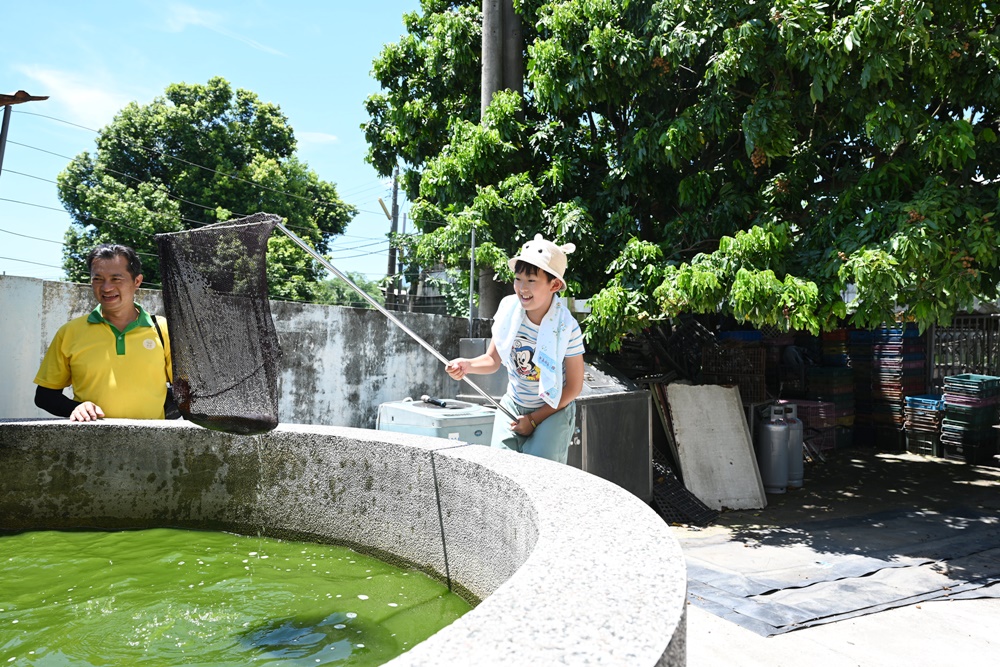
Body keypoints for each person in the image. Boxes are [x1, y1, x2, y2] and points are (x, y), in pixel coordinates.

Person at [446, 234, 585, 463]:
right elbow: (492, 360)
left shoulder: (567, 327)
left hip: (552, 409)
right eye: (518, 279)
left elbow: (574, 387)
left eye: (531, 280)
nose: (522, 288)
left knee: (540, 475)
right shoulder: (509, 311)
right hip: (513, 403)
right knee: (502, 470)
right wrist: (467, 365)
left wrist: (534, 419)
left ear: (555, 284)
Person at [34, 243, 173, 421]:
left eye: (116, 279)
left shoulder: (164, 330)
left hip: (154, 444)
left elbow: (188, 391)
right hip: (89, 444)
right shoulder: (70, 332)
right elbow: (45, 396)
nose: (106, 287)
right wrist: (76, 408)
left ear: (136, 281)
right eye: (98, 279)